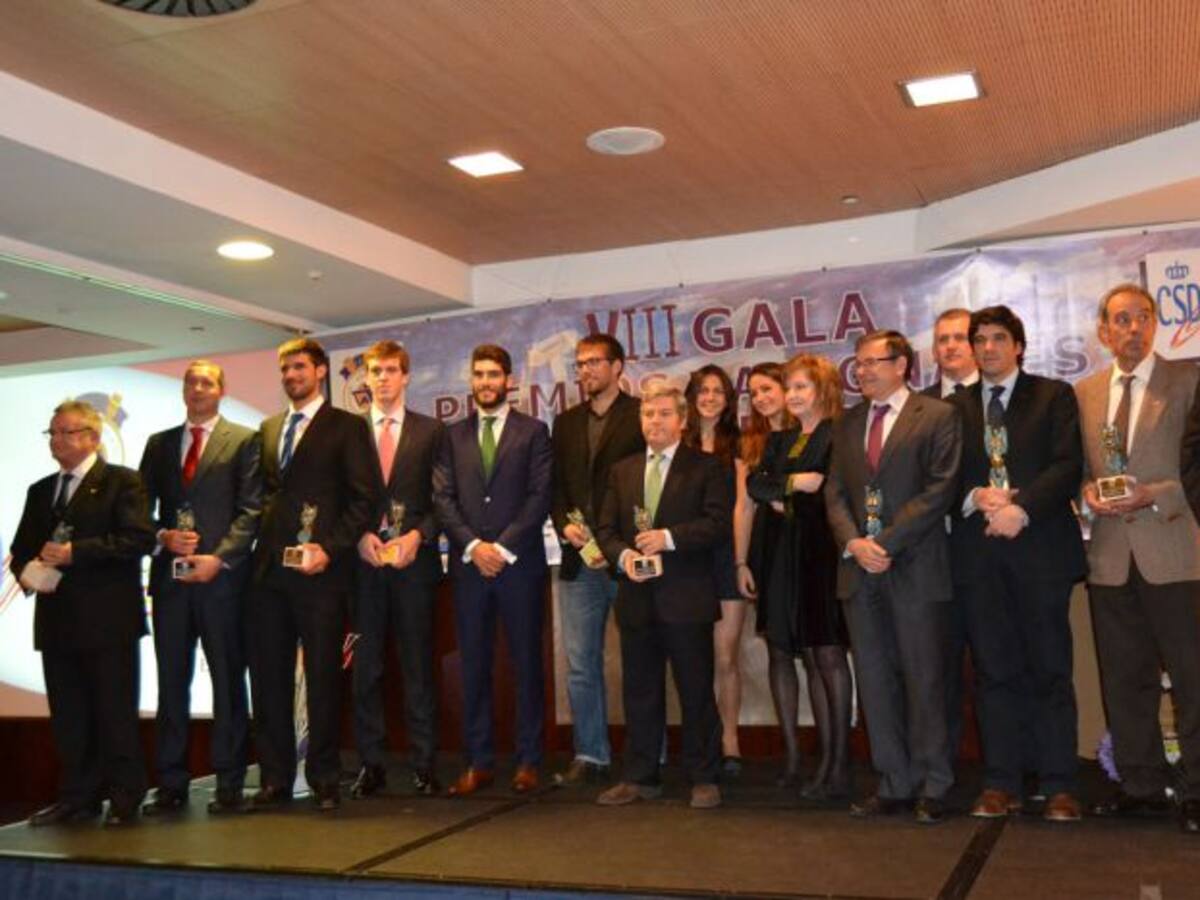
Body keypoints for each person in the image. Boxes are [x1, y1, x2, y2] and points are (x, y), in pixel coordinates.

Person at [949, 305, 1087, 823]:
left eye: (998, 338)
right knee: (994, 672)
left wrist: (1020, 509)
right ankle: (1000, 782)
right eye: (980, 339)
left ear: (1019, 346)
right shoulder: (952, 408)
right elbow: (940, 478)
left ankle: (1059, 784)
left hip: (1040, 553)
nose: (988, 348)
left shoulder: (1053, 395)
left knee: (1050, 669)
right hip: (979, 559)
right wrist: (972, 497)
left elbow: (1068, 465)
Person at [1076, 284, 1200, 834]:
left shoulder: (1188, 381)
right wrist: (1087, 493)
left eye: (1142, 317)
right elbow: (1082, 468)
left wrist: (1156, 494)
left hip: (1174, 551)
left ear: (1154, 324)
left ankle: (1197, 790)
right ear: (1104, 331)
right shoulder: (1085, 392)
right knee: (1125, 679)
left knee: (1192, 678)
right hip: (1109, 556)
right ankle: (1141, 785)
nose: (1133, 328)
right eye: (1121, 319)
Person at [825, 330, 961, 825]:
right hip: (859, 571)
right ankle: (893, 782)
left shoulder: (938, 416)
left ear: (901, 365)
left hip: (915, 567)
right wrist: (854, 542)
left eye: (872, 362)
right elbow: (835, 493)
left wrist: (885, 543)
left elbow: (939, 490)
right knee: (875, 680)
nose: (862, 371)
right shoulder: (847, 423)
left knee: (924, 680)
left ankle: (934, 784)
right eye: (858, 363)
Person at [246, 337, 375, 813]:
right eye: (285, 369)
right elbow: (262, 498)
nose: (291, 376)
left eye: (299, 366)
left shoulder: (347, 426)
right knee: (268, 678)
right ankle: (275, 777)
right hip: (269, 575)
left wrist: (330, 549)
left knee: (322, 677)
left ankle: (324, 777)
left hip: (322, 573)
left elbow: (365, 500)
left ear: (320, 371)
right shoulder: (268, 428)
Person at [11, 401, 156, 827]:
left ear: (93, 438)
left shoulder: (122, 482)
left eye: (67, 432)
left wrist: (77, 553)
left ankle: (125, 796)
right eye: (52, 432)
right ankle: (78, 797)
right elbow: (21, 549)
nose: (57, 440)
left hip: (108, 620)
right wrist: (29, 572)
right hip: (57, 621)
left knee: (115, 713)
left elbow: (138, 539)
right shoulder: (41, 490)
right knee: (69, 718)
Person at [595, 382, 732, 809]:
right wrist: (624, 557)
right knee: (639, 691)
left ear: (682, 420)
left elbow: (717, 525)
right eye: (648, 414)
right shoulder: (623, 471)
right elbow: (605, 530)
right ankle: (640, 777)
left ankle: (704, 777)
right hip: (636, 599)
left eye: (664, 414)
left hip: (686, 599)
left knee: (695, 691)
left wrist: (668, 538)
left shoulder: (706, 468)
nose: (654, 421)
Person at [138, 360, 261, 816]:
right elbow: (138, 511)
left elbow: (251, 511)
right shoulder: (159, 444)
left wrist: (220, 559)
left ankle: (230, 782)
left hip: (221, 583)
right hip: (170, 585)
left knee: (228, 681)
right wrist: (162, 536)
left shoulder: (243, 440)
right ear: (183, 390)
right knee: (171, 683)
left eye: (206, 382)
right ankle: (171, 783)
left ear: (221, 390)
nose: (197, 388)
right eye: (191, 382)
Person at [433, 344, 553, 796]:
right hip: (469, 569)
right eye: (479, 374)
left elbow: (540, 496)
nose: (485, 382)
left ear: (509, 380)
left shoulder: (534, 432)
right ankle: (478, 762)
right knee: (473, 667)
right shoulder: (452, 435)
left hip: (519, 567)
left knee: (526, 665)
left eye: (493, 374)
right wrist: (473, 546)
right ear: (472, 380)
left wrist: (500, 548)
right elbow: (442, 498)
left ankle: (528, 760)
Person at [748, 354, 850, 801]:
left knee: (827, 655)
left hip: (823, 554)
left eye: (801, 387)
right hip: (785, 556)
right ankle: (818, 763)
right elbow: (757, 485)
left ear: (823, 390)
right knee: (803, 650)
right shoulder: (781, 439)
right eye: (788, 387)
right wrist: (794, 485)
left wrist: (786, 492)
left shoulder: (839, 434)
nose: (791, 395)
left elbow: (829, 489)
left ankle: (838, 764)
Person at [350, 340, 447, 799]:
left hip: (414, 567)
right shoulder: (349, 432)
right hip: (364, 568)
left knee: (418, 668)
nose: (383, 378)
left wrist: (417, 537)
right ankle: (371, 765)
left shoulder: (432, 431)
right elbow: (338, 496)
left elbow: (443, 499)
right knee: (366, 671)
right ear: (366, 378)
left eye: (391, 370)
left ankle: (424, 764)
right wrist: (358, 536)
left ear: (406, 376)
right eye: (376, 371)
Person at [550, 334, 643, 787]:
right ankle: (591, 753)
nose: (584, 370)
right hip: (579, 558)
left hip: (626, 557)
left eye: (593, 362)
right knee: (581, 663)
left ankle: (647, 755)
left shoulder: (640, 414)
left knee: (640, 660)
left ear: (618, 366)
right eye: (580, 363)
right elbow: (556, 487)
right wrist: (563, 524)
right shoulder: (566, 422)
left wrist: (623, 542)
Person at [920, 308, 979, 766]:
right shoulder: (915, 407)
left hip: (988, 555)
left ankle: (1007, 771)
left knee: (998, 668)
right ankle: (943, 770)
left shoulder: (997, 398)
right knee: (935, 674)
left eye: (960, 337)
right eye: (943, 339)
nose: (951, 346)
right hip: (928, 561)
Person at [736, 361, 798, 782]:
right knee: (778, 649)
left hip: (808, 546)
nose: (760, 398)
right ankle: (792, 755)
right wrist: (740, 562)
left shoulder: (813, 433)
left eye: (767, 389)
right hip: (768, 549)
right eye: (754, 392)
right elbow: (744, 507)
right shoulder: (752, 442)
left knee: (820, 653)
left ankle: (832, 758)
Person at [683, 365, 744, 777]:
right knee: (694, 659)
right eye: (702, 391)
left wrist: (740, 561)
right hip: (687, 560)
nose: (709, 398)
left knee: (726, 656)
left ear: (728, 399)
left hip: (725, 558)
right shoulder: (677, 444)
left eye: (718, 391)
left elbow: (742, 507)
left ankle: (730, 742)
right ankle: (701, 741)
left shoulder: (739, 444)